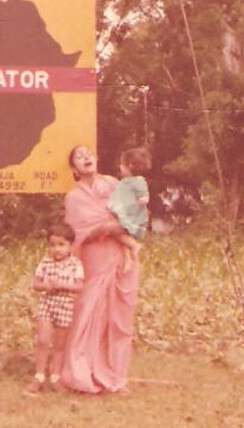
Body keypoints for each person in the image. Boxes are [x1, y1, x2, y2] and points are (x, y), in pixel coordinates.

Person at [60, 145, 139, 394]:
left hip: (119, 257)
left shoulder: (113, 184)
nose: (86, 158)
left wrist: (117, 228)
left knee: (118, 319)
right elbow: (82, 232)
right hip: (94, 258)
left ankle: (115, 378)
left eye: (89, 154)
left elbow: (129, 214)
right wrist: (109, 227)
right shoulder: (73, 197)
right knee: (88, 314)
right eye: (79, 156)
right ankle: (82, 375)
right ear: (74, 168)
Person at [27, 223, 84, 394]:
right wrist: (45, 285)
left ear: (70, 246)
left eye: (61, 245)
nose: (57, 249)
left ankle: (55, 377)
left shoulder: (75, 265)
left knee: (59, 345)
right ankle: (38, 376)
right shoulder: (46, 263)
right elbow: (36, 284)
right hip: (47, 304)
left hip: (65, 306)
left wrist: (62, 285)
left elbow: (79, 286)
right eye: (52, 245)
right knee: (43, 341)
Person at [106, 147, 151, 273]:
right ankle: (128, 259)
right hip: (124, 213)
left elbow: (145, 197)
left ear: (129, 166)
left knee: (115, 231)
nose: (120, 167)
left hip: (131, 215)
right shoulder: (125, 181)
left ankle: (134, 246)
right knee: (121, 236)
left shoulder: (138, 181)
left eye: (121, 165)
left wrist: (134, 204)